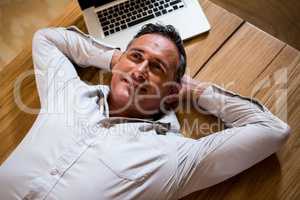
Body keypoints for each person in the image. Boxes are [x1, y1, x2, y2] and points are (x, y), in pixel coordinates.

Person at [0, 23, 291, 200]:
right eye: (136, 57)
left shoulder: (177, 157)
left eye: (156, 67)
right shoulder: (68, 93)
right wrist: (116, 59)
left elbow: (272, 130)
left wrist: (196, 90)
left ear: (171, 91)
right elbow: (47, 38)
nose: (139, 71)